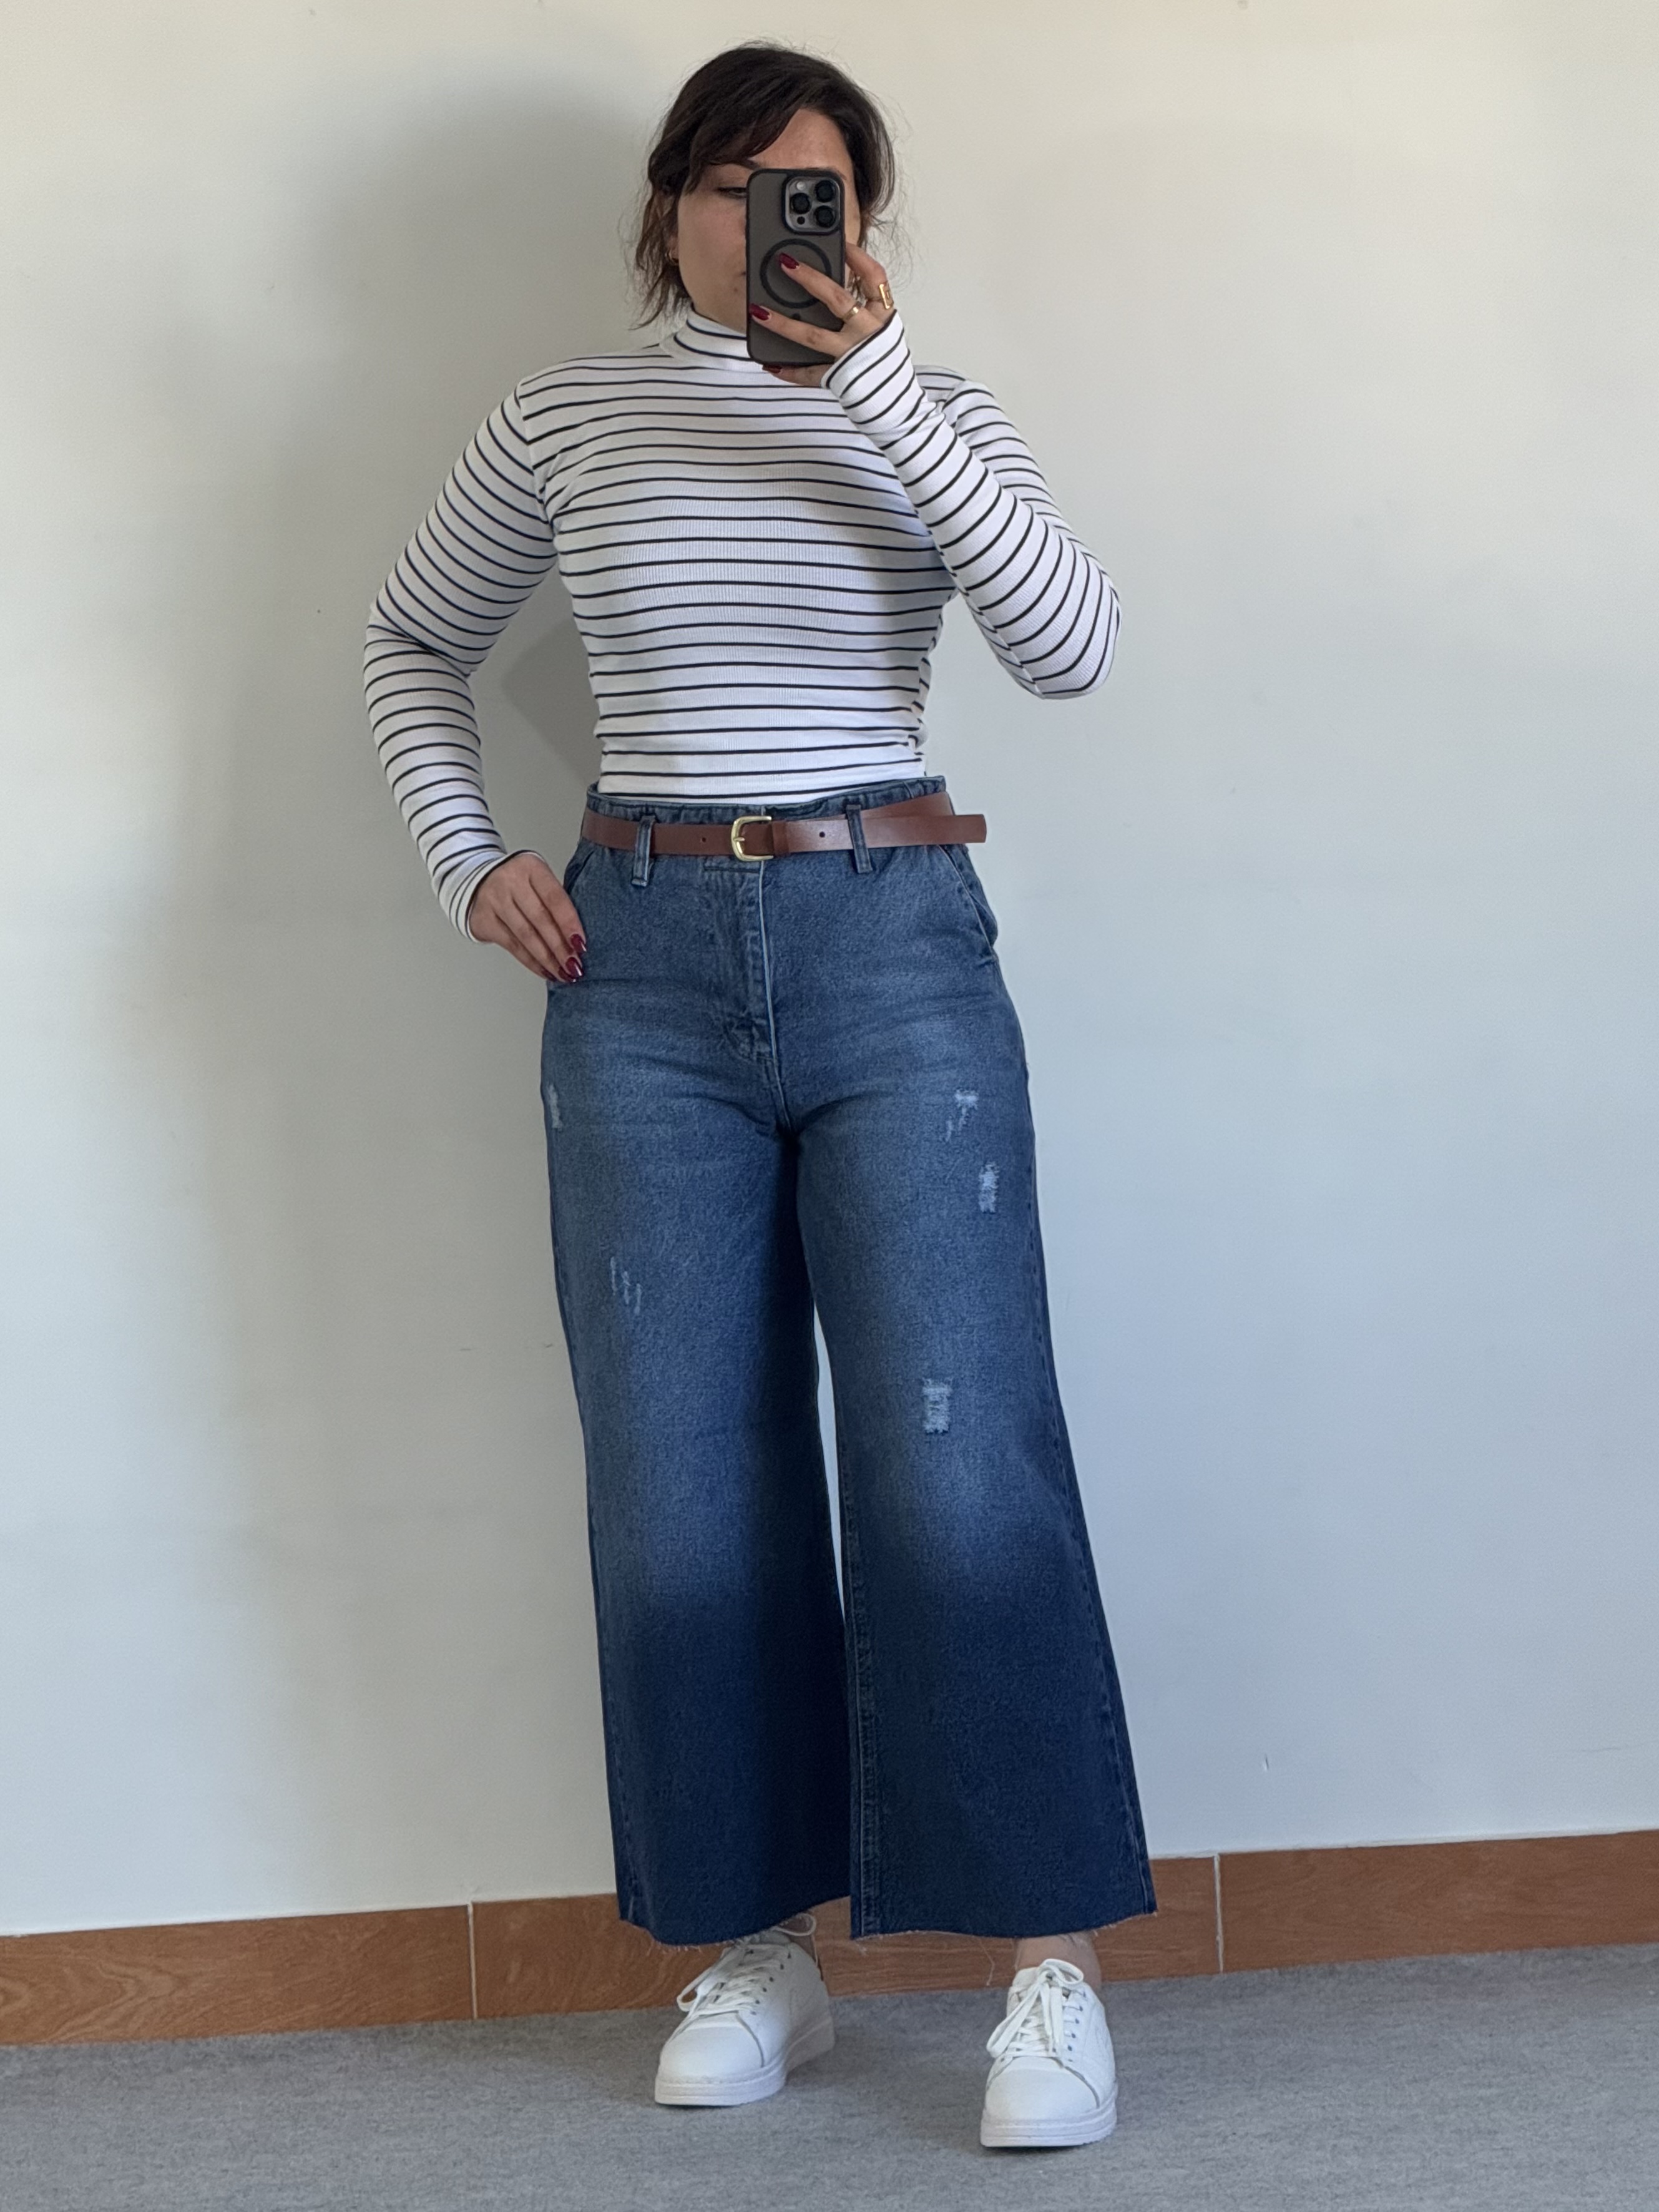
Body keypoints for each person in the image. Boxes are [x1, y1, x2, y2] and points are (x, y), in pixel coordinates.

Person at [364, 41, 1153, 2153]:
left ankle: (1048, 1963)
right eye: (732, 188)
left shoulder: (928, 406)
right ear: (671, 206)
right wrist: (467, 857)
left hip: (892, 941)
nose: (768, 226)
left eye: (813, 195)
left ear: (859, 224)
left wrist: (874, 383)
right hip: (634, 967)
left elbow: (1070, 646)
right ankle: (758, 1945)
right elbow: (409, 642)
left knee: (960, 1462)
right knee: (679, 1478)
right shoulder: (567, 414)